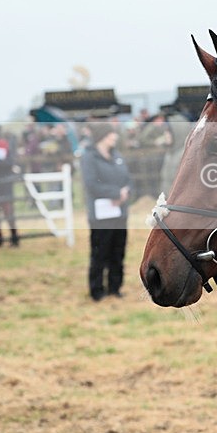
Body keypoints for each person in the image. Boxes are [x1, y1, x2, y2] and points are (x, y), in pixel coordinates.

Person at [80, 122, 131, 301]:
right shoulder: (89, 157)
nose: (115, 137)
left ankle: (115, 288)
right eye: (111, 134)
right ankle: (97, 290)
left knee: (118, 251)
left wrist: (125, 193)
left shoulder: (117, 156)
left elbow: (127, 179)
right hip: (101, 215)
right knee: (100, 252)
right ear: (102, 136)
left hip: (119, 213)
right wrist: (115, 193)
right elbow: (91, 184)